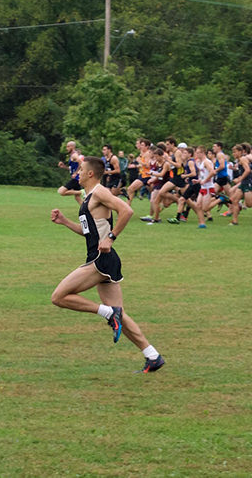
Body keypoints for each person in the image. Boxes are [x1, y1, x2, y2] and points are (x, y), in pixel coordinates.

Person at [49, 156, 165, 373]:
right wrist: (64, 222)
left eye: (81, 170)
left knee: (59, 296)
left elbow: (127, 211)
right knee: (120, 313)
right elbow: (89, 233)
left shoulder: (100, 192)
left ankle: (108, 313)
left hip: (100, 259)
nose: (77, 174)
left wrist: (111, 237)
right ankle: (153, 356)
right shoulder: (88, 196)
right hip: (104, 259)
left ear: (90, 173)